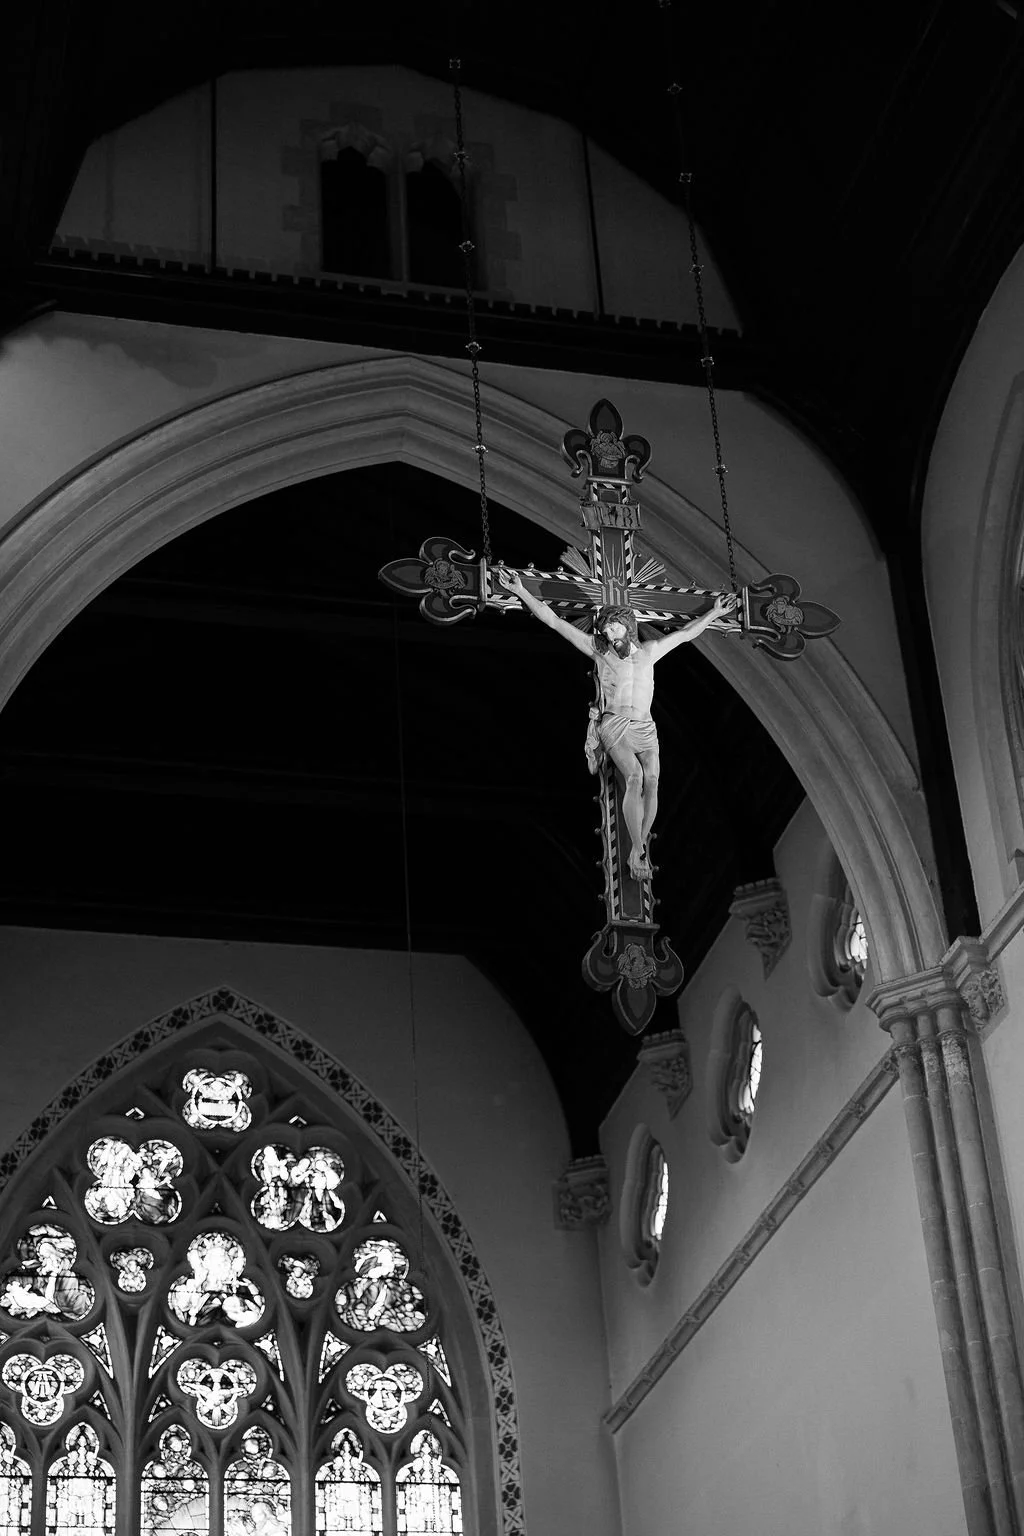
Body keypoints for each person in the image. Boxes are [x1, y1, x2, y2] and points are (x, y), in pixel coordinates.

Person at [497, 568, 738, 880]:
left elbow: (686, 633)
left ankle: (641, 847)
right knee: (635, 778)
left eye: (610, 627)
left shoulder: (650, 652)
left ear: (625, 623)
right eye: (605, 630)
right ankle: (638, 847)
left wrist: (715, 612)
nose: (607, 634)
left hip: (646, 726)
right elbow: (554, 621)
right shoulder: (601, 654)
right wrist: (521, 592)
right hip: (616, 724)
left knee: (653, 781)